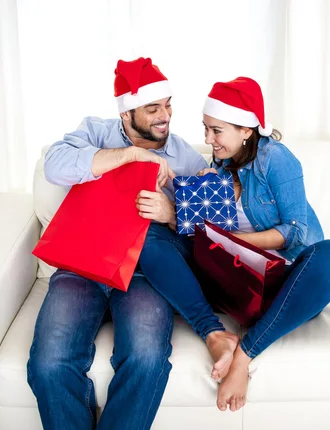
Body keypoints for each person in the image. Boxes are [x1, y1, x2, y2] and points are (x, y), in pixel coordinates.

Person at [27, 57, 224, 430]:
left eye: (167, 105)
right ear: (126, 115)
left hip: (143, 273)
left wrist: (172, 211)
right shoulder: (95, 132)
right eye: (152, 109)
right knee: (49, 364)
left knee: (147, 357)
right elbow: (55, 166)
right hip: (81, 267)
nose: (165, 116)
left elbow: (209, 231)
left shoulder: (183, 155)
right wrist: (132, 156)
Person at [139, 76, 330, 413]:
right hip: (234, 281)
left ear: (247, 130)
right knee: (149, 237)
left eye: (216, 131)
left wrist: (232, 241)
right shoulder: (219, 163)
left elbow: (295, 231)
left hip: (282, 285)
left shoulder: (276, 160)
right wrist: (186, 197)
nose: (207, 139)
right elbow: (204, 236)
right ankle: (213, 332)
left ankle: (244, 356)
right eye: (206, 129)